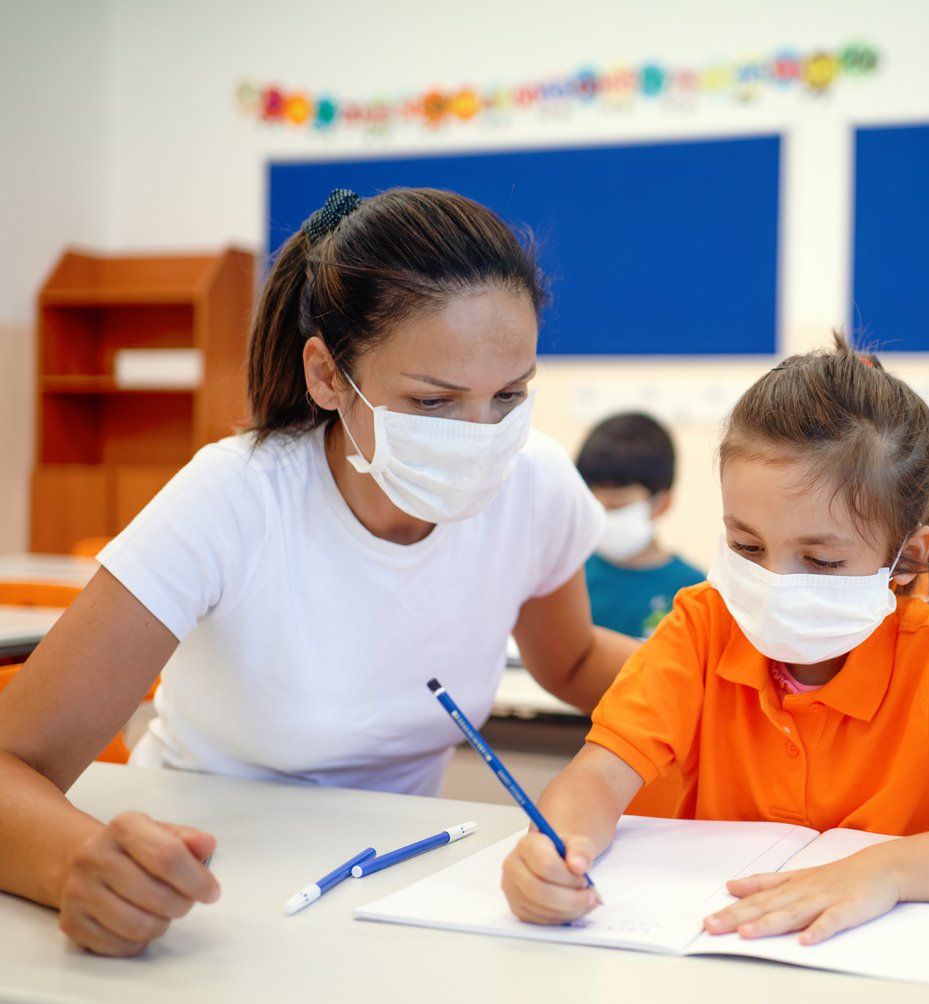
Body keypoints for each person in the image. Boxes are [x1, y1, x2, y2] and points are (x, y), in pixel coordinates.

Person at [0, 187, 636, 957]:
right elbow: (13, 763)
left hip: (398, 888)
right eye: (433, 402)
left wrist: (738, 679)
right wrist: (78, 865)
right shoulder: (234, 497)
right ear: (329, 377)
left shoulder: (534, 484)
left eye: (510, 396)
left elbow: (569, 661)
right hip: (207, 893)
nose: (481, 438)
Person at [499, 338, 929, 944]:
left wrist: (883, 871)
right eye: (747, 546)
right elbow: (598, 778)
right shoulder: (702, 628)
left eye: (819, 559)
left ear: (906, 558)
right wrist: (555, 849)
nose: (773, 584)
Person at [576, 412, 705, 638]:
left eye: (616, 505)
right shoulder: (571, 576)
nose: (601, 516)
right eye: (592, 504)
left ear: (660, 504)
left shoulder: (691, 590)